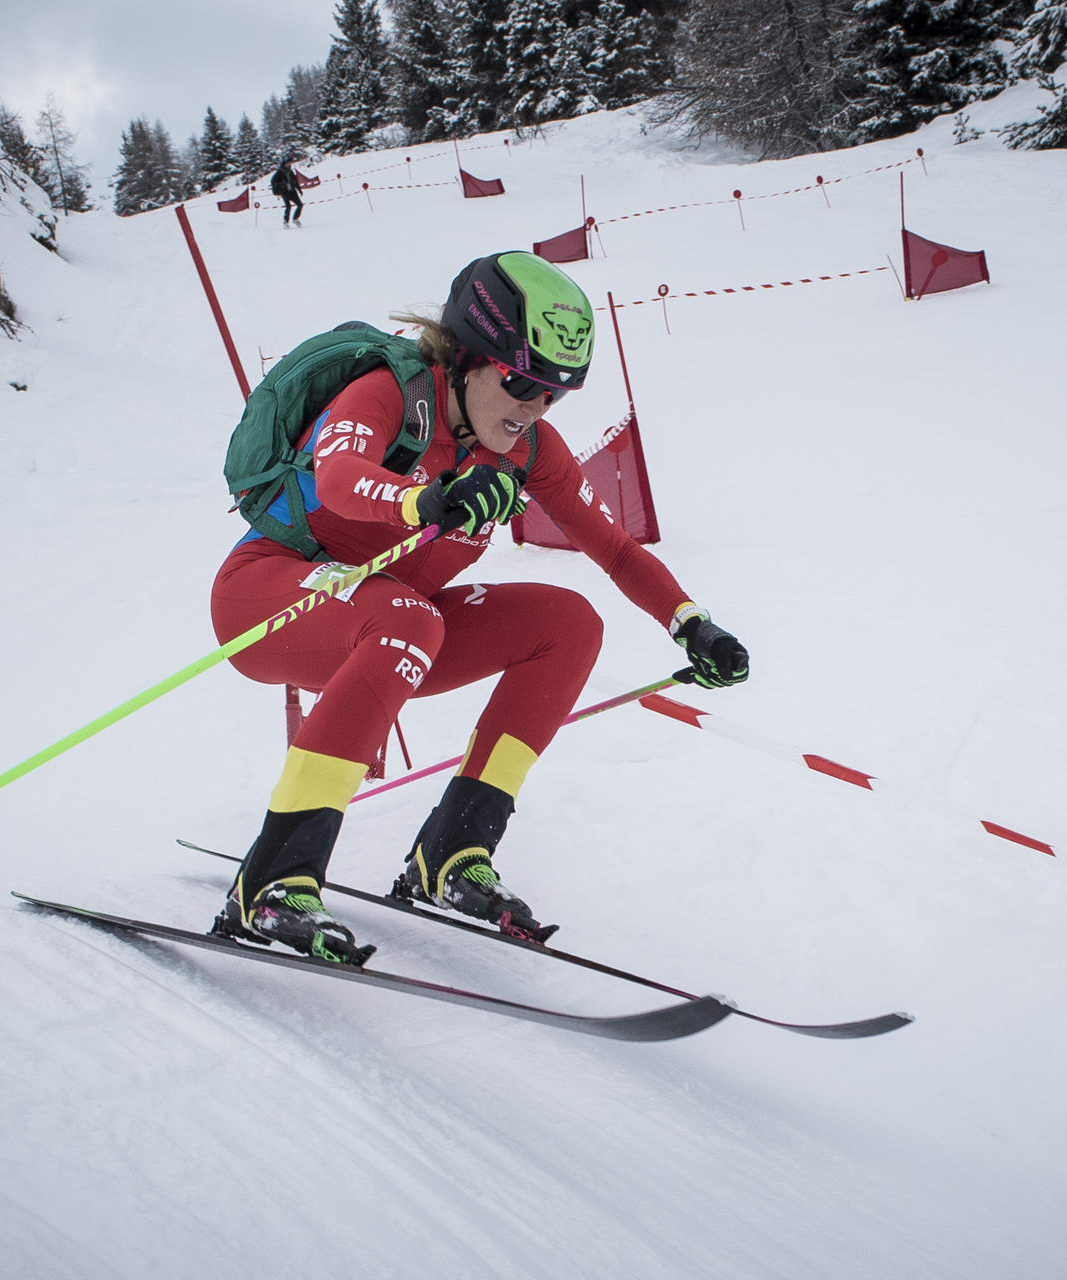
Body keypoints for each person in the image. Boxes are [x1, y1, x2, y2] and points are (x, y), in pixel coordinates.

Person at [208, 251, 749, 965]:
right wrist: (422, 500)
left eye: (553, 395)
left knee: (567, 624)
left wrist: (691, 622)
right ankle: (273, 880)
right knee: (410, 618)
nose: (531, 409)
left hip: (398, 630)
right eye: (520, 383)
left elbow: (614, 549)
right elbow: (338, 478)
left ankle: (452, 851)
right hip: (270, 596)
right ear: (468, 358)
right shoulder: (392, 395)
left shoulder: (527, 451)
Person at [269, 155, 305, 227]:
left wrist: (299, 189)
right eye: (288, 162)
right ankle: (286, 221)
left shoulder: (290, 171)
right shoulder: (280, 172)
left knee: (300, 205)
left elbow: (295, 181)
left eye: (290, 162)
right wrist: (280, 185)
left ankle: (295, 219)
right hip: (284, 191)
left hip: (292, 190)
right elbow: (273, 181)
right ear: (285, 163)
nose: (290, 164)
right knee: (288, 206)